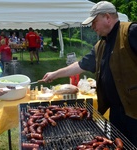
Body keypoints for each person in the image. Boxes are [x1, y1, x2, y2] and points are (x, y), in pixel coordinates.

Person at [42, 1, 137, 147]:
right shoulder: (100, 46)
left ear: (107, 17)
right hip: (116, 112)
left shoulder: (131, 32)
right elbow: (80, 65)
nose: (92, 27)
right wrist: (55, 74)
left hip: (134, 112)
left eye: (94, 22)